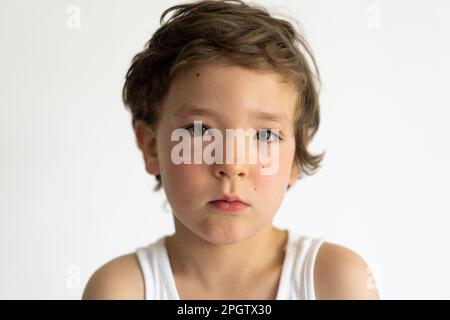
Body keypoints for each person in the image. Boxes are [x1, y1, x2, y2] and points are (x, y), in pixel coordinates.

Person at [82, 0, 380, 300]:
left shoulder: (336, 284)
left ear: (296, 158)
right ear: (151, 148)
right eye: (199, 131)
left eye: (265, 134)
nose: (232, 163)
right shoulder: (121, 291)